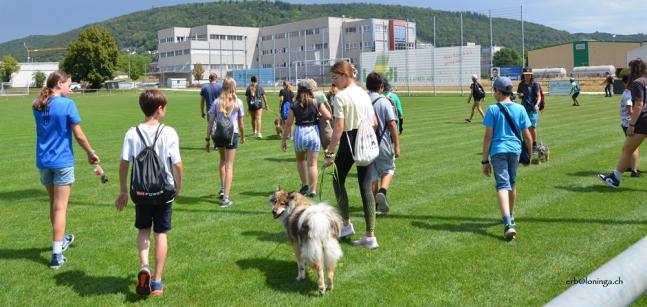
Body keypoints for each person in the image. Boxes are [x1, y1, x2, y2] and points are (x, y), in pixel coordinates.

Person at [115, 89, 183, 296]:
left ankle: (145, 266)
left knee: (143, 230)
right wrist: (178, 187)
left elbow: (124, 164)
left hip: (141, 192)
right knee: (160, 233)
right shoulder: (169, 132)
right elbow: (177, 165)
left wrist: (123, 191)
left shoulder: (131, 133)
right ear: (159, 109)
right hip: (164, 192)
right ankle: (157, 282)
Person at [33, 70, 100, 269]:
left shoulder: (37, 105)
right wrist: (91, 152)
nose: (71, 88)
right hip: (61, 162)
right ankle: (56, 255)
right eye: (69, 84)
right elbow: (79, 135)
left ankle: (60, 241)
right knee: (60, 207)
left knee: (54, 205)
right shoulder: (67, 105)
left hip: (43, 162)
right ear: (60, 84)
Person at [323, 61, 379, 249]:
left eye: (335, 77)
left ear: (346, 75)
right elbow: (374, 121)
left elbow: (339, 127)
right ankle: (370, 235)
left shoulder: (340, 97)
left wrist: (329, 153)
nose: (333, 81)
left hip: (349, 140)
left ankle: (346, 224)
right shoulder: (364, 93)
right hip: (366, 139)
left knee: (337, 181)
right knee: (365, 187)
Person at [482, 77, 532, 241]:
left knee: (502, 185)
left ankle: (507, 224)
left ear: (498, 91)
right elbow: (527, 136)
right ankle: (510, 215)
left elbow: (488, 137)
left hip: (498, 151)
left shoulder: (492, 109)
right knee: (512, 183)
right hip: (515, 150)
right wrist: (529, 155)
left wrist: (484, 161)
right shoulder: (520, 109)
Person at [598, 58, 647, 188]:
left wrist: (631, 124)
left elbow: (639, 105)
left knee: (627, 149)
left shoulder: (638, 82)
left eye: (630, 69)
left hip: (643, 121)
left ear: (634, 70)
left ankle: (615, 178)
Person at [280, 79, 331, 198]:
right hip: (313, 132)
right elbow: (328, 116)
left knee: (300, 160)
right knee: (312, 164)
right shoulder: (316, 102)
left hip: (299, 133)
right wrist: (318, 115)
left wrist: (283, 140)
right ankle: (313, 191)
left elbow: (288, 124)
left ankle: (304, 185)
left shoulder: (294, 105)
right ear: (310, 90)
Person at [205, 77, 246, 206]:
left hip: (218, 135)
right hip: (232, 134)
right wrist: (243, 136)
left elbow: (210, 122)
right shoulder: (238, 102)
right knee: (229, 166)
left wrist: (207, 139)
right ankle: (226, 198)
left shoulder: (217, 102)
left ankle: (223, 189)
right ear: (234, 87)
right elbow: (241, 124)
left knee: (222, 161)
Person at [366, 72, 400, 215]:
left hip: (365, 143)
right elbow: (392, 124)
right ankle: (383, 191)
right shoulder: (384, 101)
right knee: (388, 168)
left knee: (372, 175)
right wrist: (397, 145)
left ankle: (374, 204)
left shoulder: (362, 100)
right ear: (381, 86)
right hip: (383, 142)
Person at [619, 75, 640, 177]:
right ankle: (634, 171)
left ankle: (628, 166)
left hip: (625, 123)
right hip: (629, 123)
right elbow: (630, 110)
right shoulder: (629, 94)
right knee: (633, 147)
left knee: (630, 146)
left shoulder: (627, 92)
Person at [516, 67, 541, 152]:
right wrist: (520, 95)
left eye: (529, 75)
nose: (527, 76)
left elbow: (539, 95)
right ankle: (526, 145)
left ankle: (534, 145)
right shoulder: (521, 84)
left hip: (533, 109)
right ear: (523, 75)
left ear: (531, 75)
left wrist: (537, 104)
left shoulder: (535, 84)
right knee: (524, 127)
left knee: (532, 127)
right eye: (526, 75)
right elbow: (518, 94)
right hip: (523, 109)